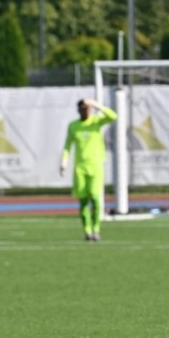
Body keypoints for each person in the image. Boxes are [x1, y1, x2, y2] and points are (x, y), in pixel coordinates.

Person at [60, 98, 117, 241]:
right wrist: (64, 162)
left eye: (88, 108)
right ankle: (87, 230)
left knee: (96, 198)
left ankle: (96, 229)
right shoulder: (73, 126)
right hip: (80, 168)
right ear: (78, 110)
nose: (86, 111)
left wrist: (96, 104)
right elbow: (67, 146)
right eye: (84, 108)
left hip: (96, 166)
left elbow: (113, 116)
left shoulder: (96, 122)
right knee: (83, 200)